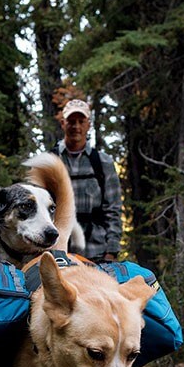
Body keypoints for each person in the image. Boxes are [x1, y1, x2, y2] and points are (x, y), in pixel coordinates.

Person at [52, 99, 122, 263]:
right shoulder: (50, 162)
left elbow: (113, 210)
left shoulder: (103, 163)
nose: (76, 126)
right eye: (71, 121)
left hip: (96, 251)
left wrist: (112, 251)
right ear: (63, 123)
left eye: (81, 121)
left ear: (88, 125)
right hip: (57, 251)